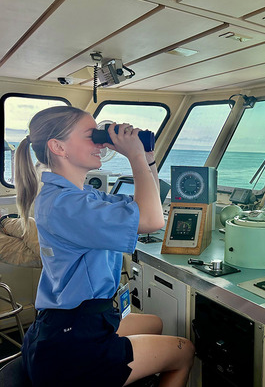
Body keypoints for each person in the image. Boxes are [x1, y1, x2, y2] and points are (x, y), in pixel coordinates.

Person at [15, 106, 194, 387]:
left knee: (154, 324)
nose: (100, 143)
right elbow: (152, 220)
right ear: (58, 147)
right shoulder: (68, 206)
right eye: (92, 135)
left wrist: (147, 159)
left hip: (66, 322)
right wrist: (133, 155)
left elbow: (144, 208)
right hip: (72, 342)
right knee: (184, 351)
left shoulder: (78, 196)